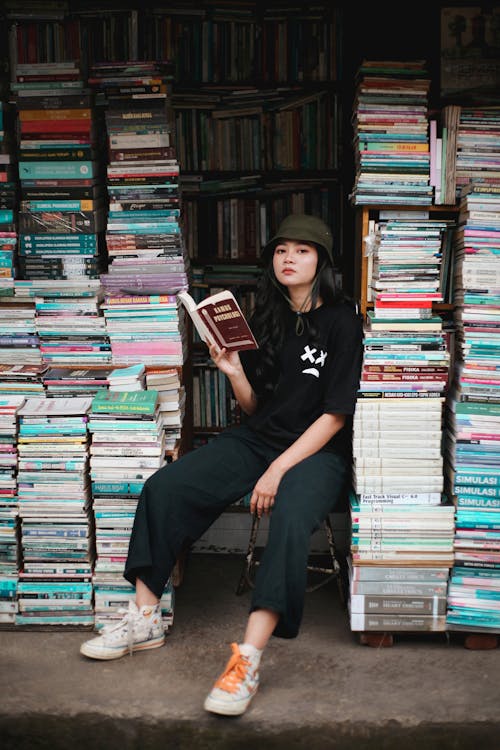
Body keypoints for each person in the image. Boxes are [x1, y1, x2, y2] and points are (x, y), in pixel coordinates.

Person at [79, 213, 364, 717]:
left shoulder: (342, 321)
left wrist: (277, 471)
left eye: (301, 250)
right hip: (259, 439)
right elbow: (257, 409)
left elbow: (337, 415)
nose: (289, 258)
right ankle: (144, 617)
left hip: (316, 452)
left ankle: (248, 658)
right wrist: (233, 371)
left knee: (293, 517)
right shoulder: (266, 317)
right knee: (167, 487)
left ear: (321, 260)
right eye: (280, 250)